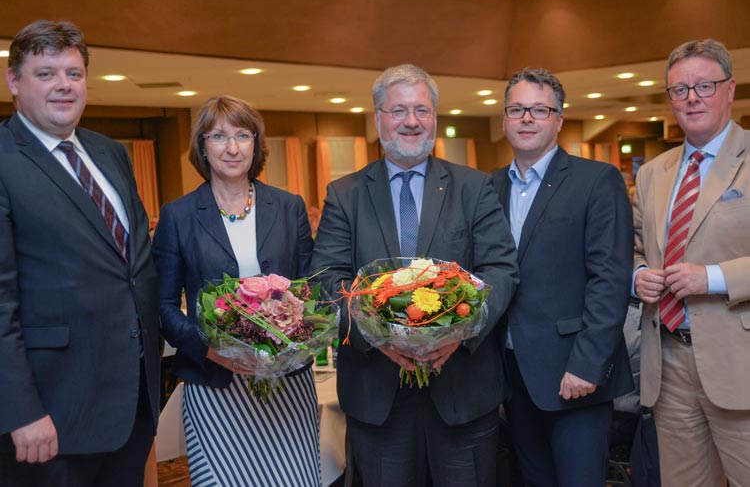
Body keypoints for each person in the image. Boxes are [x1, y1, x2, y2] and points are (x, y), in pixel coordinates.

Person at [311, 63, 519, 486]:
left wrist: (459, 332)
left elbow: (501, 270)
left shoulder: (474, 188)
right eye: (398, 110)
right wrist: (378, 336)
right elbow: (325, 279)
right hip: (377, 395)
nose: (411, 121)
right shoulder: (345, 194)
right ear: (378, 119)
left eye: (422, 110)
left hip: (463, 391)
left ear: (435, 117)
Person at [0, 20, 160, 486]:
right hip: (49, 417)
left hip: (131, 405)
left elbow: (135, 270)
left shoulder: (109, 153)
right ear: (14, 81)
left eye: (73, 73)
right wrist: (20, 410)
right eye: (46, 73)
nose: (63, 86)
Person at [152, 95, 320, 487]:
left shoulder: (289, 206)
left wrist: (293, 337)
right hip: (215, 386)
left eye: (243, 135)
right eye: (218, 136)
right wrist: (209, 349)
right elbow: (162, 306)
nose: (232, 147)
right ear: (202, 147)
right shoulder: (178, 215)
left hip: (287, 383)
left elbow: (310, 289)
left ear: (256, 144)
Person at [491, 67, 634, 487]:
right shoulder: (488, 188)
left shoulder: (596, 181)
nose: (527, 118)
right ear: (504, 120)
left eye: (539, 109)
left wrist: (588, 365)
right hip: (512, 375)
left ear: (559, 119)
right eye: (517, 109)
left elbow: (609, 279)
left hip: (575, 374)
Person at [633, 38, 750, 487]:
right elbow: (638, 248)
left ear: (730, 89)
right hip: (668, 365)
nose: (692, 98)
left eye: (704, 85)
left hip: (737, 363)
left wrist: (714, 278)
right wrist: (638, 275)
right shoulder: (652, 172)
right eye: (679, 90)